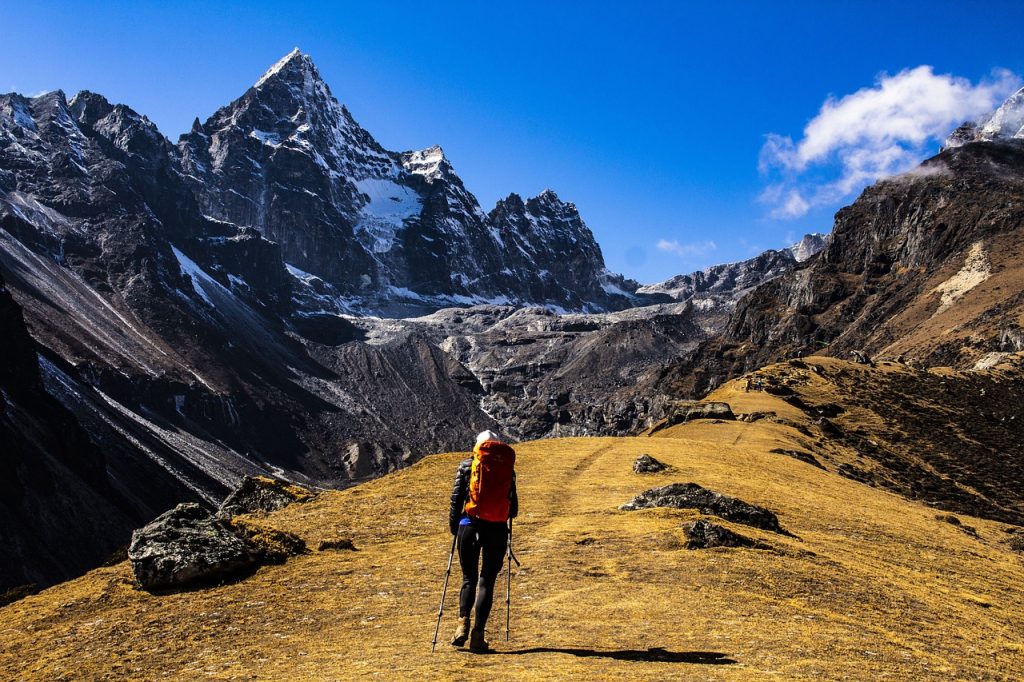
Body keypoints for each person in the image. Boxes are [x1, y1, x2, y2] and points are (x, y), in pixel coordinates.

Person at [448, 429, 518, 652]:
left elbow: (456, 501)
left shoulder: (467, 466)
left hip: (469, 526)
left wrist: (455, 529)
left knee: (468, 578)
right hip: (496, 530)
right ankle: (478, 636)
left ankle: (462, 625)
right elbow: (513, 509)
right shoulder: (508, 470)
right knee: (487, 580)